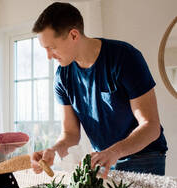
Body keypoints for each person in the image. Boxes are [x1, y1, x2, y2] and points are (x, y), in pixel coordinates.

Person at [30, 2, 168, 178]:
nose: (49, 57)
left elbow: (151, 126)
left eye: (52, 47)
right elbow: (71, 134)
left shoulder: (124, 57)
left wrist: (113, 152)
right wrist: (53, 151)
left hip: (144, 157)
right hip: (103, 160)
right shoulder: (62, 76)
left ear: (73, 35)